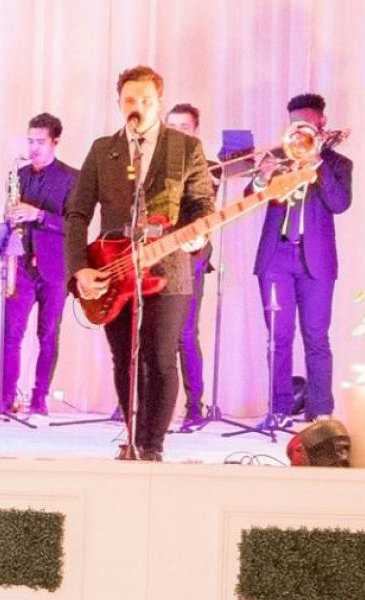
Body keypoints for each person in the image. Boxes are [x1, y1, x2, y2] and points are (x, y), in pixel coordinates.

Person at [65, 65, 215, 462]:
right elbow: (77, 213)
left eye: (146, 100)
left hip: (168, 271)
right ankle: (132, 437)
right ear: (119, 103)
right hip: (113, 271)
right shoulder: (103, 150)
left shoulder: (186, 148)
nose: (138, 107)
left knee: (161, 357)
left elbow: (201, 204)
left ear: (159, 102)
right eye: (130, 100)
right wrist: (79, 269)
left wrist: (199, 233)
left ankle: (153, 444)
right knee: (124, 358)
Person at [251, 92, 353, 425]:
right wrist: (262, 176)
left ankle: (320, 410)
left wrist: (316, 164)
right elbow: (251, 198)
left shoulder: (338, 164)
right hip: (276, 257)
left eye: (307, 123)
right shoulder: (278, 158)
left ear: (321, 122)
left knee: (316, 337)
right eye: (295, 124)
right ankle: (279, 409)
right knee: (278, 338)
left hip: (316, 262)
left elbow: (339, 203)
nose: (300, 129)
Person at [0, 113, 78, 416]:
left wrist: (38, 215)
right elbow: (11, 214)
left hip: (55, 267)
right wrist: (11, 217)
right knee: (11, 335)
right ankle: (5, 401)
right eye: (30, 141)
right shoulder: (17, 176)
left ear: (55, 142)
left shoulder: (72, 177)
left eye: (40, 142)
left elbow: (74, 225)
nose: (33, 148)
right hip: (21, 266)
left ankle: (39, 399)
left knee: (48, 334)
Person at [164, 103, 215, 431]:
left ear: (195, 131)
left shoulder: (210, 167)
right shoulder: (154, 163)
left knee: (184, 333)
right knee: (147, 332)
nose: (178, 132)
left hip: (190, 256)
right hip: (157, 255)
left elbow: (203, 207)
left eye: (185, 126)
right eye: (173, 126)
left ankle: (195, 405)